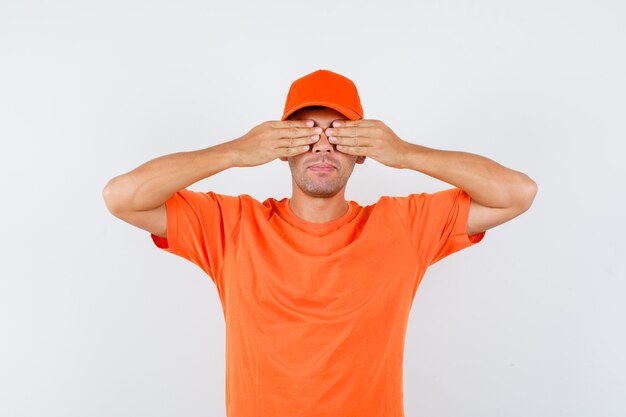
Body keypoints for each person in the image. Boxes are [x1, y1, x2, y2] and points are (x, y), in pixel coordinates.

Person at [102, 69, 537, 417]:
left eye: (341, 133)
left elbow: (517, 193)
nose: (323, 146)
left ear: (362, 149)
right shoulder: (231, 225)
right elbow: (122, 197)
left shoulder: (404, 226)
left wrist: (405, 153)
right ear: (282, 147)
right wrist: (235, 151)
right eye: (305, 133)